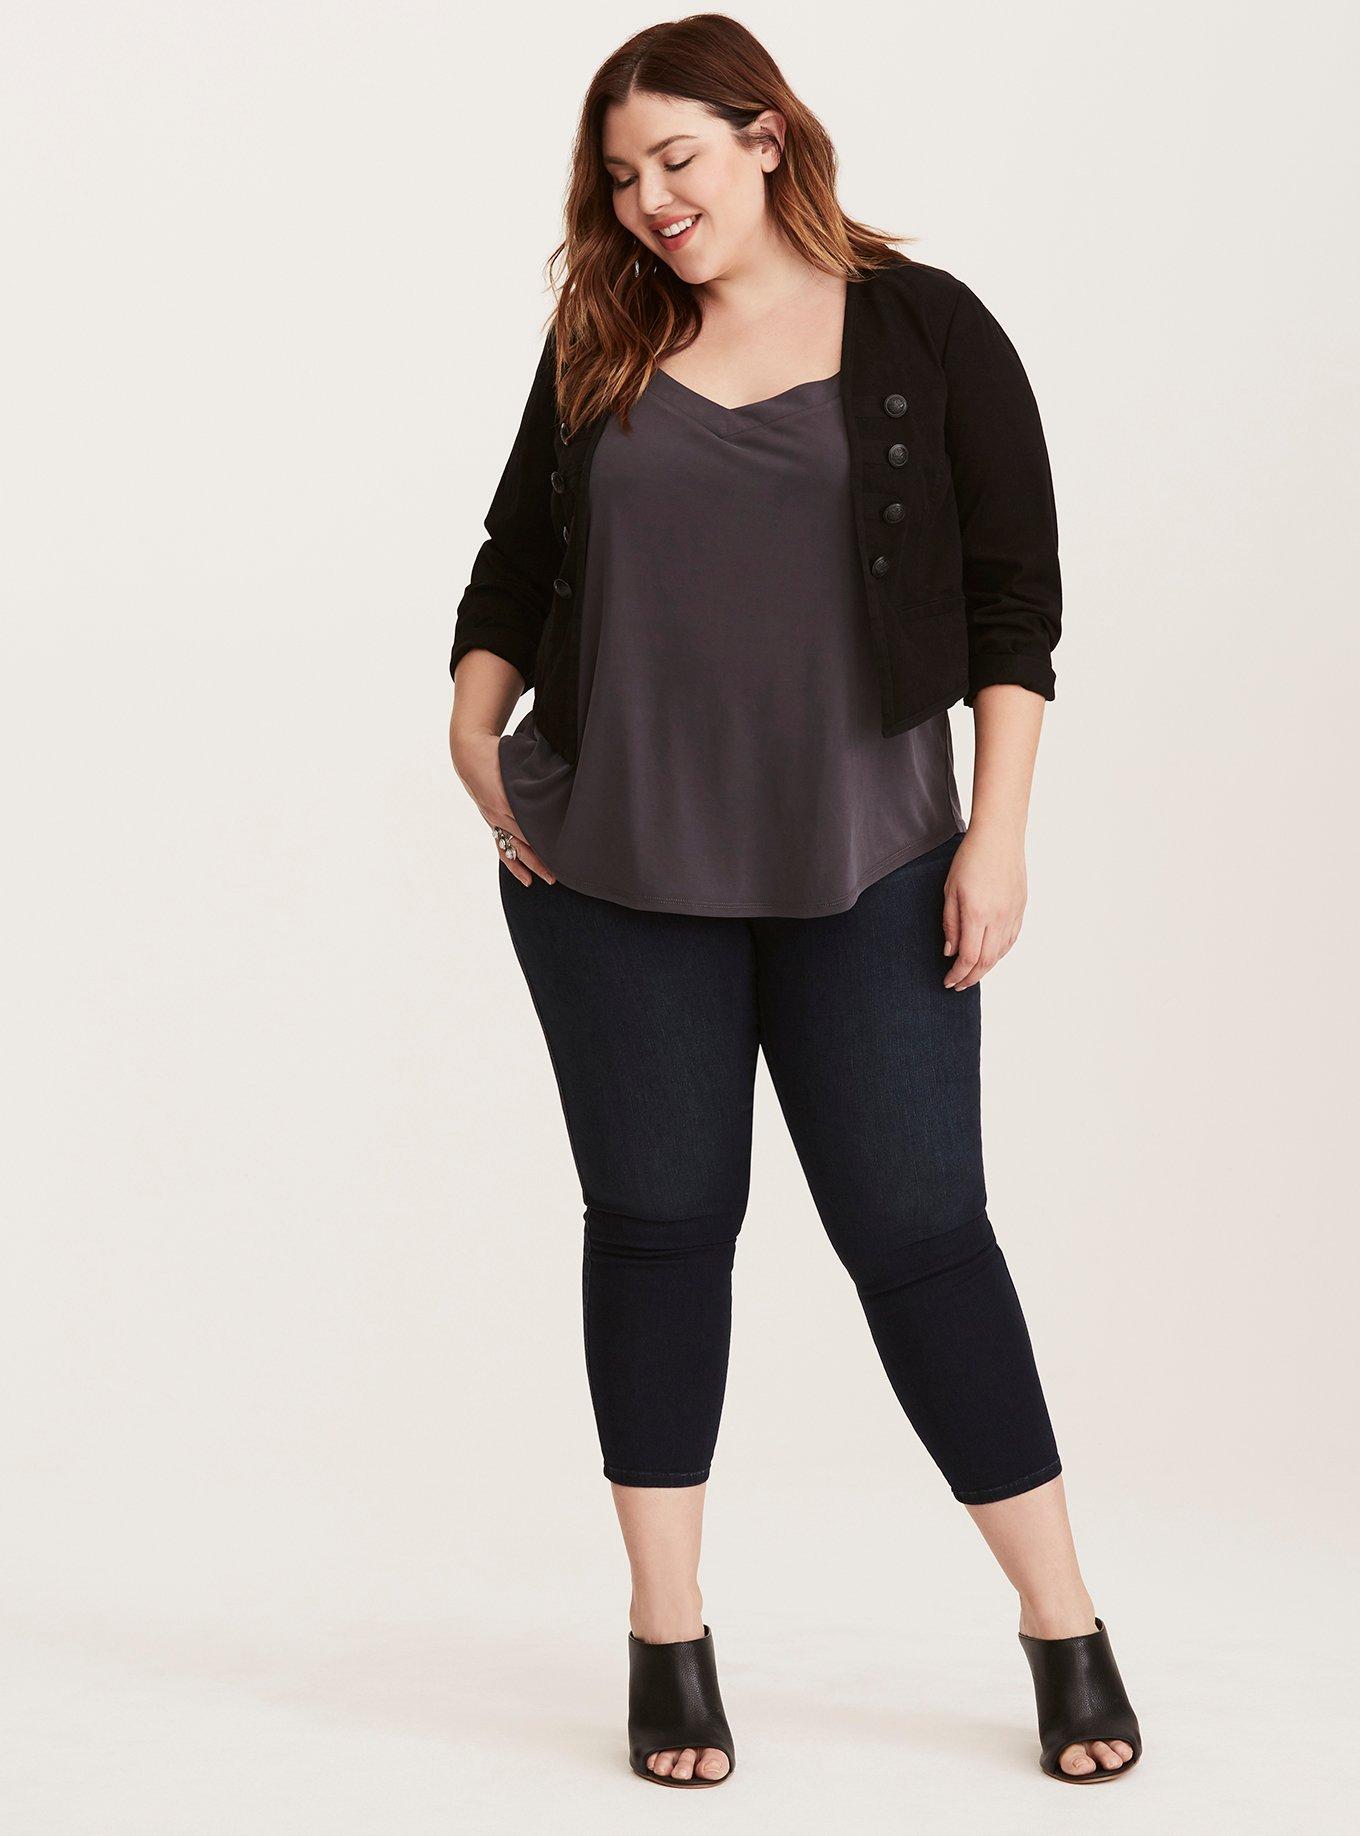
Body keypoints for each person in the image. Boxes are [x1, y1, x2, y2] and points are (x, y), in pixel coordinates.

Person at [446, 14, 1142, 1791]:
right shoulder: (603, 335)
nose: (650, 200)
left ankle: (1062, 1621)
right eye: (620, 176)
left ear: (767, 136)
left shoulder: (929, 329)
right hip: (615, 866)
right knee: (660, 1228)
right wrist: (471, 722)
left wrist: (997, 835)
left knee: (922, 1235)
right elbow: (519, 552)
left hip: (871, 863)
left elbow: (1015, 600)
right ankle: (667, 1633)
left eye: (676, 158)